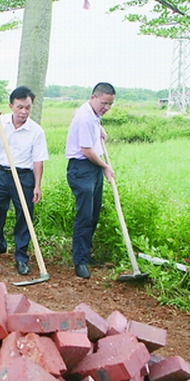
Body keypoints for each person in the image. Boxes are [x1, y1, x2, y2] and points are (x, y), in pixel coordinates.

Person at [0, 86, 49, 276]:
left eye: (28, 107)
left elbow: (38, 160)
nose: (24, 111)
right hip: (2, 174)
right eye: (20, 107)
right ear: (11, 105)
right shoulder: (0, 123)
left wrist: (37, 185)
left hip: (24, 176)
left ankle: (21, 257)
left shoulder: (36, 131)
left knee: (24, 217)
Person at [65, 83, 116, 279]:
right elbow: (86, 150)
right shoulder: (85, 117)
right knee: (85, 216)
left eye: (110, 105)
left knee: (93, 214)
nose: (106, 108)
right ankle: (79, 261)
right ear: (93, 97)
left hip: (93, 167)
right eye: (104, 103)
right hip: (82, 168)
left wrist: (100, 126)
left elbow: (84, 119)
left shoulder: (92, 113)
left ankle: (85, 253)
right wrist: (105, 167)